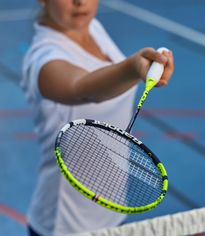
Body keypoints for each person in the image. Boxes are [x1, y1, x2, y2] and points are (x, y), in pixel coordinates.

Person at [21, 0, 174, 235]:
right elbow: (82, 87)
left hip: (112, 208)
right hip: (66, 224)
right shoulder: (43, 58)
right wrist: (132, 69)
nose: (80, 2)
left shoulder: (93, 28)